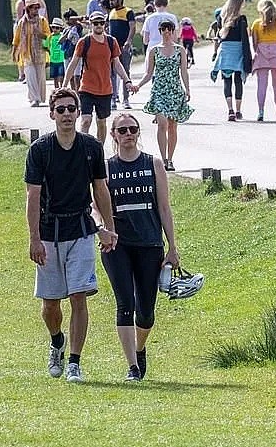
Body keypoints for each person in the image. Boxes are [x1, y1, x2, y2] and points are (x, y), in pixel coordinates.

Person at [24, 88, 120, 383]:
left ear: (79, 113)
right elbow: (33, 196)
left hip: (80, 230)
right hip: (50, 233)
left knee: (79, 296)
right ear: (52, 114)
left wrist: (108, 226)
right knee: (51, 305)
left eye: (71, 109)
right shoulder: (40, 150)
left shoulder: (91, 147)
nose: (66, 114)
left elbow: (100, 188)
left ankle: (75, 363)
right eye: (61, 109)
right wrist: (34, 238)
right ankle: (57, 342)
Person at [101, 114, 183, 381]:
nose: (128, 134)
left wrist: (172, 247)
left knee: (145, 312)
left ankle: (140, 347)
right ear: (113, 134)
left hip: (149, 244)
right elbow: (96, 204)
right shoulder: (106, 167)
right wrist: (102, 227)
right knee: (125, 303)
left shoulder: (153, 164)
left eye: (132, 129)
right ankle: (132, 367)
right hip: (117, 245)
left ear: (138, 133)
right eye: (122, 130)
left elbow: (164, 207)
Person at [64, 12, 134, 144]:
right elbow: (73, 63)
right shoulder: (84, 42)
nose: (99, 25)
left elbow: (117, 64)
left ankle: (99, 151)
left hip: (105, 90)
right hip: (87, 88)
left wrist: (127, 81)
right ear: (90, 24)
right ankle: (83, 150)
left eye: (101, 23)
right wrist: (64, 85)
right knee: (86, 120)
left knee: (101, 123)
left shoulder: (111, 42)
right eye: (95, 23)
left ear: (105, 24)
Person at [133, 18, 191, 171]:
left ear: (173, 32)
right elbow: (148, 73)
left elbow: (184, 71)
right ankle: (163, 158)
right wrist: (138, 85)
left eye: (169, 29)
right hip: (159, 90)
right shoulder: (154, 50)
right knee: (162, 123)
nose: (166, 32)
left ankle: (170, 159)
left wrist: (187, 89)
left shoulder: (180, 50)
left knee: (172, 126)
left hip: (175, 90)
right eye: (163, 30)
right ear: (159, 32)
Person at [210, 0, 251, 121]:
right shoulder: (242, 19)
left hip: (226, 52)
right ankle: (238, 110)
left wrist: (215, 52)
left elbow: (219, 37)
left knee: (227, 81)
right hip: (238, 52)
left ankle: (230, 110)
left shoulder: (221, 18)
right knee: (238, 81)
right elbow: (245, 38)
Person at [250, 0, 276, 122]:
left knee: (261, 85)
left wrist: (257, 53)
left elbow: (255, 43)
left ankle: (261, 111)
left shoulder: (256, 24)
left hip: (262, 55)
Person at [12, 0, 52, 107]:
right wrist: (14, 51)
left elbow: (49, 36)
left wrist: (41, 34)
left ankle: (40, 97)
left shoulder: (42, 21)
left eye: (36, 8)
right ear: (28, 9)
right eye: (32, 8)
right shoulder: (22, 22)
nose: (35, 10)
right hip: (27, 53)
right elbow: (17, 38)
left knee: (40, 77)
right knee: (30, 76)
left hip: (40, 53)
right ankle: (34, 98)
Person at [107, 0, 136, 111]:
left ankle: (126, 99)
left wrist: (128, 41)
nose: (111, 2)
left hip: (124, 47)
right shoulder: (111, 13)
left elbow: (132, 27)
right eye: (110, 0)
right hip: (112, 47)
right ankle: (113, 98)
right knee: (112, 73)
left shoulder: (128, 12)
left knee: (125, 72)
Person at [59, 10, 84, 91]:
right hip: (67, 54)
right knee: (70, 77)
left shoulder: (78, 27)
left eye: (68, 19)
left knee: (77, 76)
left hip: (77, 54)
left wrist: (75, 19)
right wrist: (67, 34)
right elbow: (60, 41)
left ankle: (78, 93)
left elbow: (80, 21)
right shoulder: (66, 29)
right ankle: (73, 92)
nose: (67, 21)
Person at [45, 18, 66, 89]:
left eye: (57, 28)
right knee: (55, 77)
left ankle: (62, 88)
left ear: (60, 29)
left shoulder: (62, 36)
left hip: (61, 59)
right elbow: (46, 46)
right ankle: (56, 89)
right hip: (53, 60)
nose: (55, 29)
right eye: (53, 27)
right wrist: (50, 52)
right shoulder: (50, 37)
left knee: (61, 76)